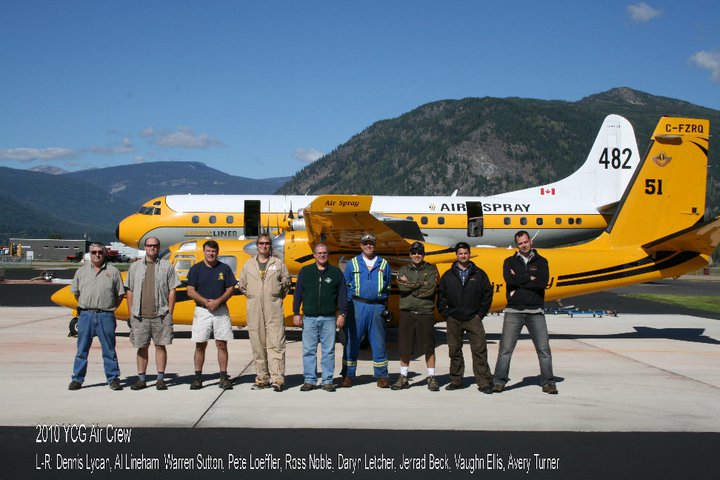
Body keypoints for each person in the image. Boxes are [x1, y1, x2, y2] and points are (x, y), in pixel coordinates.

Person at [493, 231, 557, 394]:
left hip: (535, 311)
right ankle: (499, 381)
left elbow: (542, 283)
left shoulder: (542, 261)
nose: (524, 245)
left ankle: (548, 382)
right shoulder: (509, 261)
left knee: (544, 349)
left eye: (526, 242)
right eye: (520, 243)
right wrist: (530, 278)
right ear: (517, 245)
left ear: (531, 242)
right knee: (505, 349)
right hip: (514, 311)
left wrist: (520, 279)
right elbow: (510, 280)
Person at [437, 241, 494, 393]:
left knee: (479, 350)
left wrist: (480, 314)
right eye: (460, 253)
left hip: (473, 318)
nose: (463, 256)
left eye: (465, 253)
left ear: (469, 254)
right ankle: (456, 380)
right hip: (454, 318)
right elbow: (441, 295)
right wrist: (446, 314)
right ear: (456, 255)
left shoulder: (479, 274)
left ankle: (484, 382)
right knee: (454, 350)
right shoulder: (448, 275)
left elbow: (487, 294)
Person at [68, 242, 125, 391]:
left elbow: (120, 294)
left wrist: (110, 307)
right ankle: (77, 379)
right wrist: (86, 305)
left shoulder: (113, 272)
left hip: (106, 316)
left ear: (105, 254)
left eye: (100, 252)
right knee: (82, 350)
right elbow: (76, 293)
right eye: (94, 252)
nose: (97, 255)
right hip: (86, 315)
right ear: (90, 254)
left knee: (109, 350)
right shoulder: (81, 272)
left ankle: (113, 378)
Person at [125, 237, 180, 390]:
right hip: (140, 316)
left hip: (161, 315)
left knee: (160, 346)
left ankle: (160, 379)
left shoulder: (167, 266)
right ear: (145, 247)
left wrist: (169, 312)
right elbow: (129, 290)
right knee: (141, 347)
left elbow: (172, 290)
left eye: (155, 245)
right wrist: (131, 312)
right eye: (149, 245)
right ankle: (141, 379)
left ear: (158, 247)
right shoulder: (135, 267)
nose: (152, 248)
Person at [238, 234, 291, 392]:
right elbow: (243, 286)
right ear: (257, 245)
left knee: (276, 343)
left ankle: (277, 378)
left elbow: (286, 285)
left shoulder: (278, 264)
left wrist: (273, 296)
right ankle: (262, 378)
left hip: (273, 309)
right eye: (261, 243)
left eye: (267, 243)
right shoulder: (248, 265)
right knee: (258, 344)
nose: (264, 246)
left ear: (270, 246)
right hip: (254, 310)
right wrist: (255, 296)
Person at [292, 242, 347, 392]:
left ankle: (327, 380)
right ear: (314, 255)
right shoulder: (305, 271)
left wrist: (342, 313)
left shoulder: (336, 273)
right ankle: (310, 380)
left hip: (329, 318)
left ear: (328, 254)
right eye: (319, 253)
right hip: (309, 318)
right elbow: (298, 293)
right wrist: (296, 312)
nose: (322, 255)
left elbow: (343, 294)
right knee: (309, 350)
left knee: (328, 351)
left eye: (325, 253)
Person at [341, 233, 392, 388]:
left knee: (378, 342)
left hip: (377, 307)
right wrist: (346, 309)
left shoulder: (384, 264)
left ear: (375, 245)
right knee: (352, 341)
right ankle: (348, 374)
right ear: (361, 245)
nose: (368, 246)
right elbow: (346, 286)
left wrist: (383, 305)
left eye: (371, 243)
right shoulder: (353, 263)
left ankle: (382, 375)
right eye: (365, 243)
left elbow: (388, 286)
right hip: (357, 306)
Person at [186, 240, 236, 390]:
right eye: (208, 251)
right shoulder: (196, 269)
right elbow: (190, 290)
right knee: (200, 344)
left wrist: (218, 301)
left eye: (213, 251)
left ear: (217, 252)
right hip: (202, 311)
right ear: (204, 252)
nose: (211, 254)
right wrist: (205, 302)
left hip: (220, 310)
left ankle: (223, 377)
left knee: (222, 344)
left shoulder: (225, 268)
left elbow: (230, 288)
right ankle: (197, 377)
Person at [392, 241, 440, 391]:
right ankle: (403, 377)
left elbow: (430, 288)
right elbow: (401, 286)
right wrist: (420, 283)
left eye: (419, 253)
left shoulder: (431, 269)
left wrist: (411, 286)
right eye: (414, 253)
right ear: (410, 254)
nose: (416, 255)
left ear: (423, 254)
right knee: (404, 347)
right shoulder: (403, 269)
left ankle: (431, 377)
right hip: (407, 313)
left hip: (425, 313)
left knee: (428, 347)